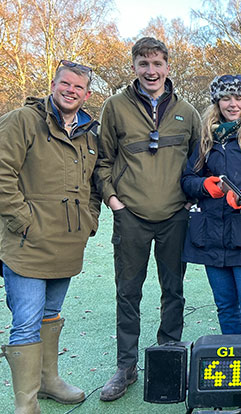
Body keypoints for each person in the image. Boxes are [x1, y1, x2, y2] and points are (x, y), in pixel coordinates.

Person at [94, 37, 201, 401]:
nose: (151, 71)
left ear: (168, 67)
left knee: (174, 290)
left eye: (157, 64)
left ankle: (169, 354)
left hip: (175, 217)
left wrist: (188, 202)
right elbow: (102, 159)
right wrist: (113, 200)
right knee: (128, 292)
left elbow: (199, 161)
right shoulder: (115, 107)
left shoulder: (188, 110)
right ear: (135, 66)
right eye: (144, 64)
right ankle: (126, 368)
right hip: (131, 217)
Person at [0, 60, 99, 412]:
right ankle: (25, 404)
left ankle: (47, 382)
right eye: (65, 84)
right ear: (53, 85)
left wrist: (90, 219)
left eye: (78, 87)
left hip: (67, 244)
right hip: (27, 243)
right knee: (26, 321)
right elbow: (2, 172)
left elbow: (94, 186)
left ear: (87, 94)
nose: (71, 91)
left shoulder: (89, 134)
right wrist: (22, 220)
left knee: (50, 314)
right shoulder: (23, 121)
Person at [181, 74, 241, 413]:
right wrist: (204, 185)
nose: (233, 103)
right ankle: (238, 384)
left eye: (238, 98)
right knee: (226, 310)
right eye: (226, 98)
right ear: (217, 102)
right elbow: (187, 178)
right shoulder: (206, 135)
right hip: (211, 238)